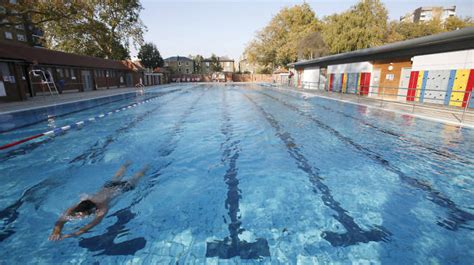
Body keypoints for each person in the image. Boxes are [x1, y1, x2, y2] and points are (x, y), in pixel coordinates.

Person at [48, 162, 148, 241]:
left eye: (82, 215)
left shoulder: (102, 209)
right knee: (117, 176)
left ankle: (146, 166)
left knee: (136, 177)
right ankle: (128, 162)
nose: (79, 216)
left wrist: (69, 235)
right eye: (79, 214)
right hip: (108, 186)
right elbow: (60, 220)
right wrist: (56, 232)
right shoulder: (81, 203)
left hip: (121, 189)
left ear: (91, 210)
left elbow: (89, 226)